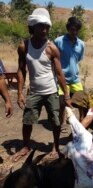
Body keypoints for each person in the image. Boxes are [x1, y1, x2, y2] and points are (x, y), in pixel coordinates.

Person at [12, 8, 71, 162]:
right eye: (41, 26)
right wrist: (20, 93)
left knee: (56, 121)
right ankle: (26, 146)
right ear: (33, 26)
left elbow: (59, 73)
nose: (45, 30)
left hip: (51, 91)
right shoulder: (24, 46)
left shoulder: (52, 48)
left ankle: (56, 147)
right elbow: (21, 70)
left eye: (47, 26)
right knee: (27, 121)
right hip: (34, 92)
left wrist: (66, 94)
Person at [54, 16, 85, 123]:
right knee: (62, 103)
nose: (74, 32)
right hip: (61, 79)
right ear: (68, 28)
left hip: (75, 79)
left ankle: (82, 121)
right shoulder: (58, 41)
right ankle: (61, 124)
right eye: (72, 29)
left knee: (82, 102)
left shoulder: (81, 44)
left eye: (77, 30)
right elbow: (53, 59)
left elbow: (79, 59)